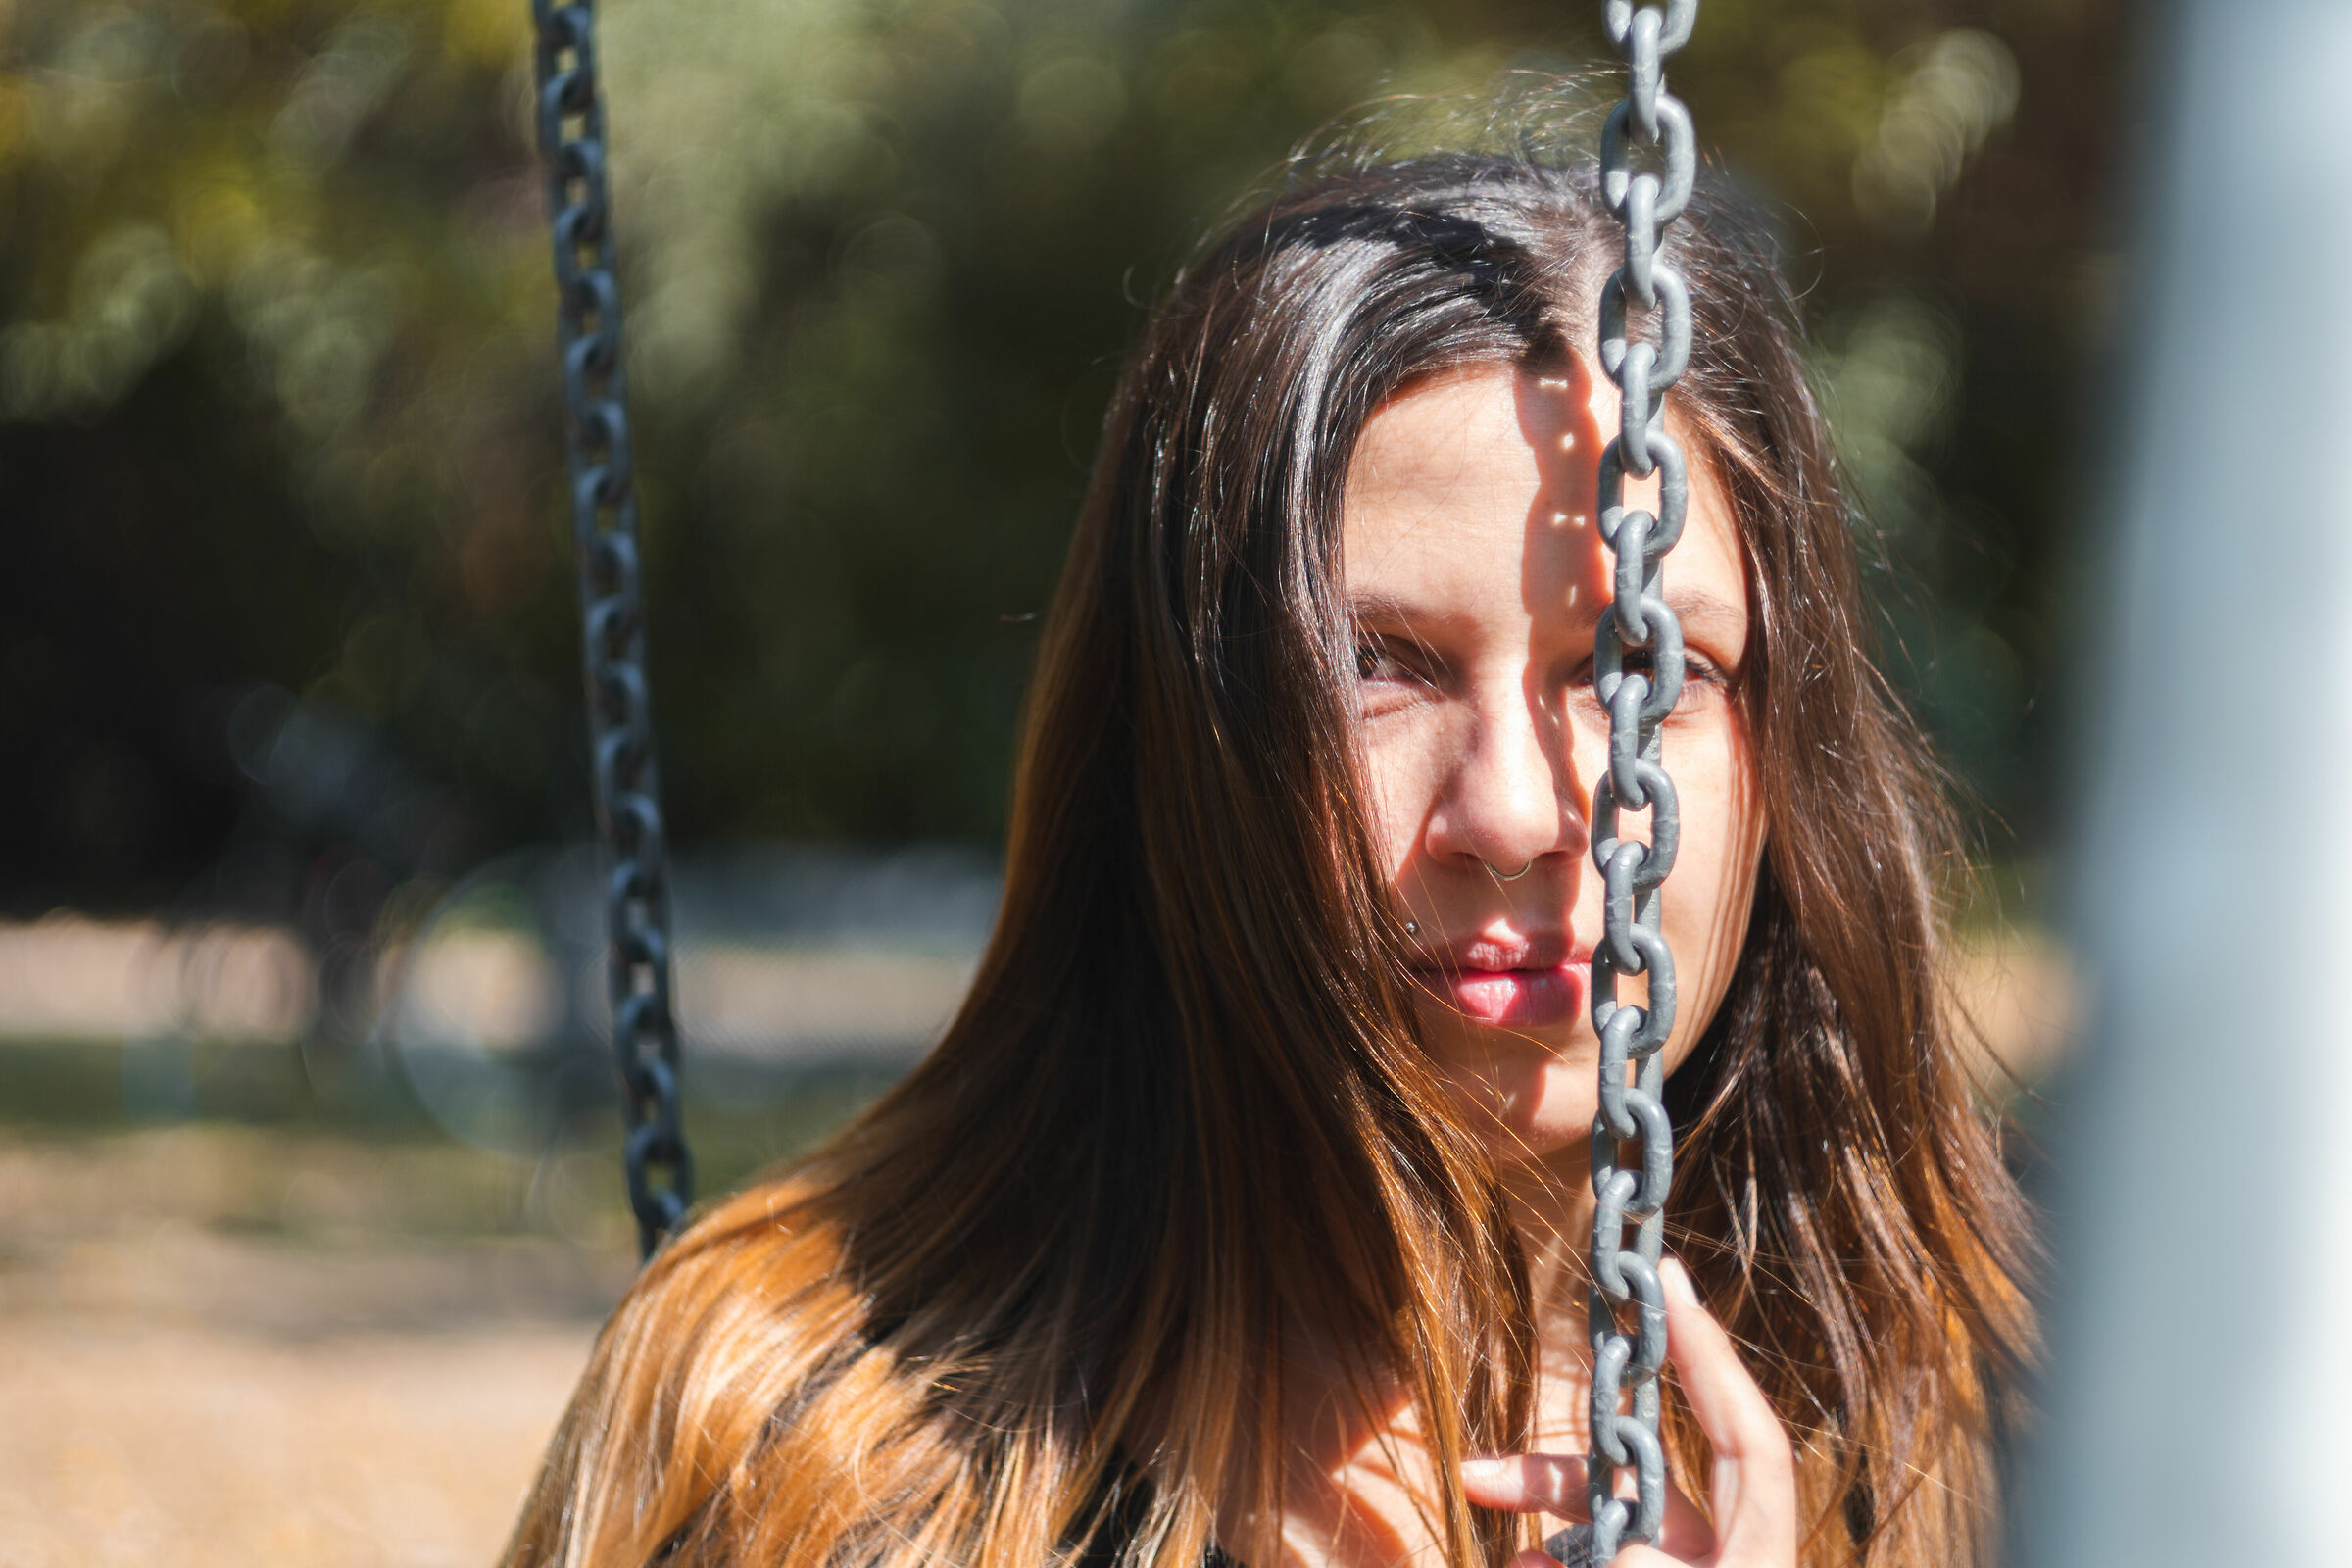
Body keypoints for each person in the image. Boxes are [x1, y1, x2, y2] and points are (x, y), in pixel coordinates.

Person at [503, 129, 2037, 1568]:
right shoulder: (808, 1434)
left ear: (1790, 748)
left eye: (1639, 670)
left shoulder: (1992, 1425)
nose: (1513, 810)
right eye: (1379, 664)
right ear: (1182, 742)